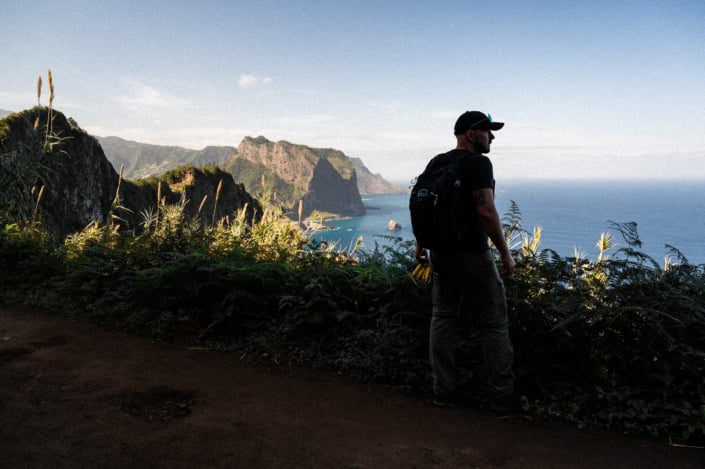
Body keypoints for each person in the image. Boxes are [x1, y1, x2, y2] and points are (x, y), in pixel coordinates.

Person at [414, 110, 517, 411]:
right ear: (471, 134)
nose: (492, 136)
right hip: (471, 255)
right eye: (487, 131)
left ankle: (442, 392)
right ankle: (502, 397)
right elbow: (485, 210)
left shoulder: (438, 163)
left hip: (441, 256)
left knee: (443, 317)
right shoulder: (479, 163)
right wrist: (505, 253)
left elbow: (428, 206)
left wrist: (423, 242)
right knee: (494, 323)